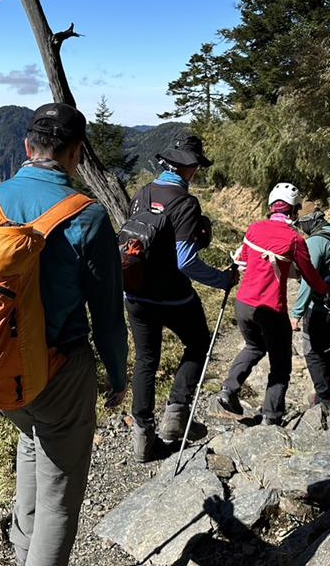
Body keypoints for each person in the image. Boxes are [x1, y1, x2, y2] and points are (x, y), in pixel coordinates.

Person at [0, 103, 128, 566]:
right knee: (60, 493)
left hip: (0, 372)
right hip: (60, 369)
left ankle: (24, 553)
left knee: (30, 441)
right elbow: (107, 318)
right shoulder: (88, 216)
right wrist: (118, 377)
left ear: (28, 148)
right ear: (76, 154)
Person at [124, 135, 234, 461]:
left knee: (145, 361)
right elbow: (184, 260)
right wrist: (223, 279)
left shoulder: (141, 194)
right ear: (191, 168)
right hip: (172, 295)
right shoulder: (185, 203)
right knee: (199, 343)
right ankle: (175, 413)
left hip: (135, 294)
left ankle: (142, 440)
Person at [216, 183, 330, 425]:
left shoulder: (254, 229)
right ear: (293, 210)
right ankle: (271, 415)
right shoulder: (295, 239)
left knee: (254, 347)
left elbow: (246, 260)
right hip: (271, 310)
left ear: (271, 207)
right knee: (281, 364)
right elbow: (309, 275)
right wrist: (325, 289)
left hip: (244, 304)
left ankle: (228, 389)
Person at [291, 205, 330, 413]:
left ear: (308, 221)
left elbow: (307, 280)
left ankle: (324, 399)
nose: (300, 228)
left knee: (312, 352)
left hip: (320, 307)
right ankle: (328, 393)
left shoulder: (315, 241)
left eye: (300, 224)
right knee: (329, 349)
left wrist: (296, 313)